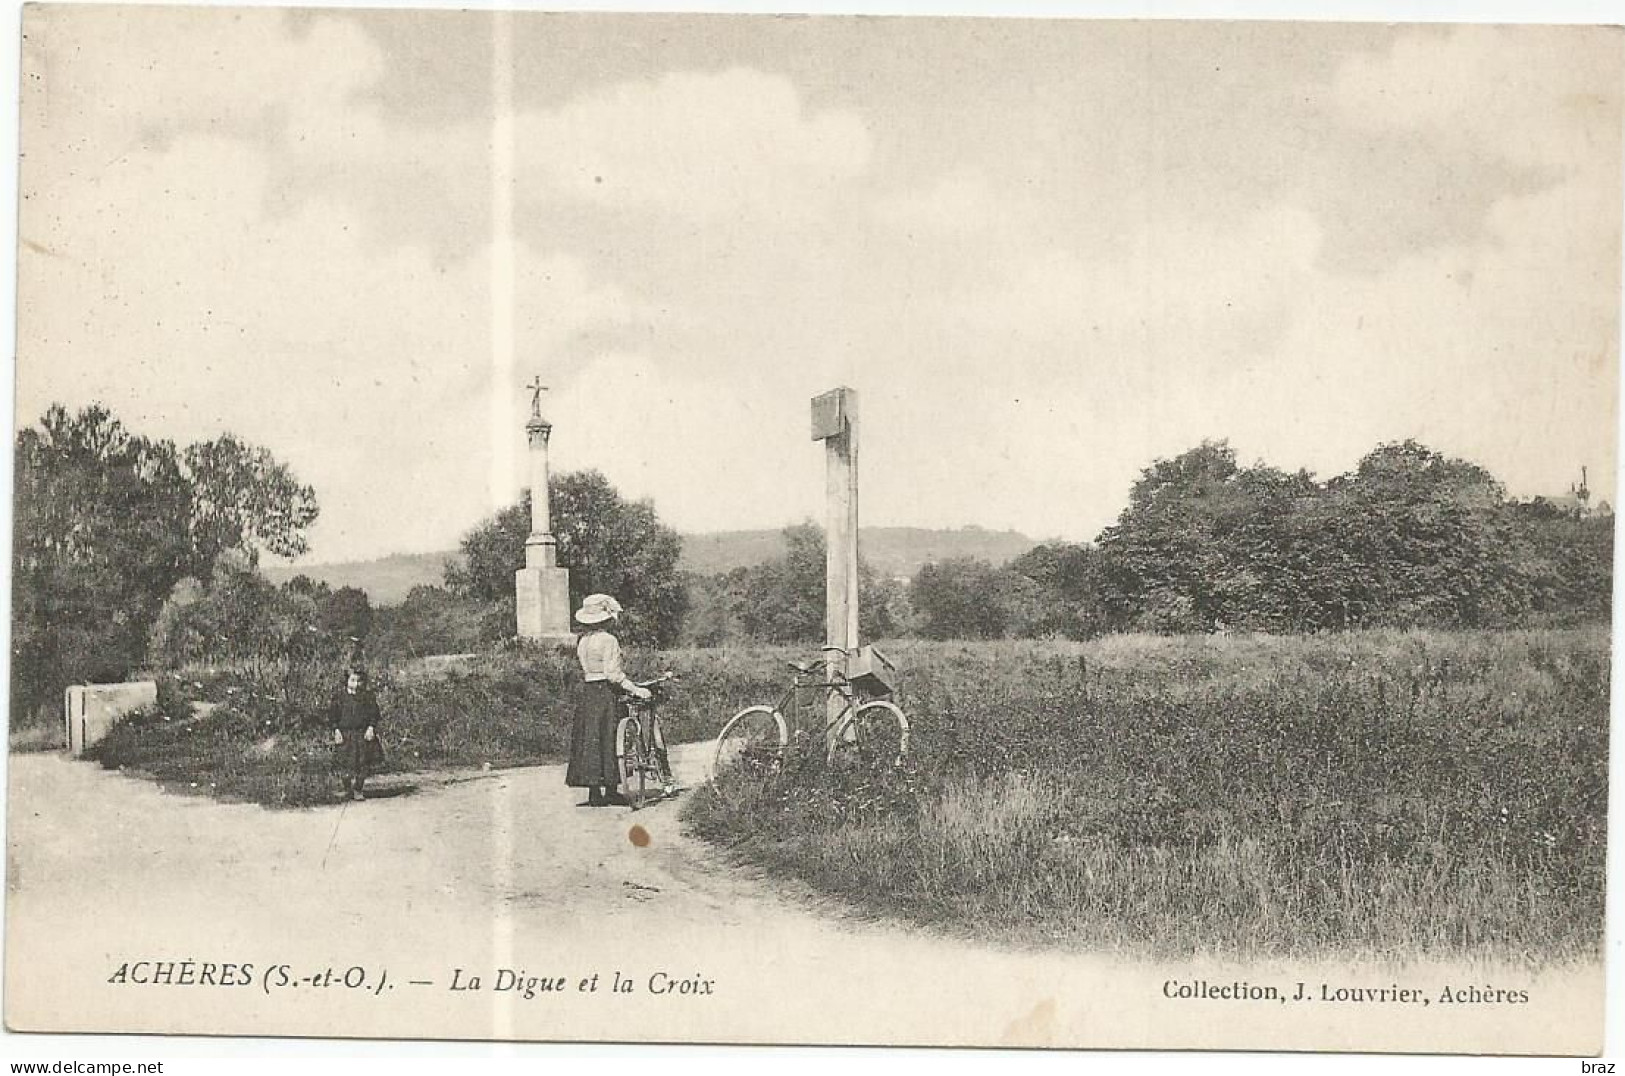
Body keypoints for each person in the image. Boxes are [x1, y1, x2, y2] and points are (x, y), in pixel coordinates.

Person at [567, 593, 651, 807]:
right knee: (611, 737)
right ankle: (612, 789)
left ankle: (594, 792)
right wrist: (635, 689)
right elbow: (612, 673)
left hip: (588, 692)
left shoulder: (583, 641)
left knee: (591, 737)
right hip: (606, 692)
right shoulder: (608, 640)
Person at [329, 667, 382, 802]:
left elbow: (374, 714)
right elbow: (332, 716)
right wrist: (336, 730)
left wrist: (371, 727)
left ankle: (358, 788)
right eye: (352, 680)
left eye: (359, 681)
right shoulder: (339, 698)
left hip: (362, 733)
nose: (356, 684)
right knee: (344, 763)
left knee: (363, 763)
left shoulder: (367, 697)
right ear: (346, 681)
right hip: (346, 734)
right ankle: (347, 788)